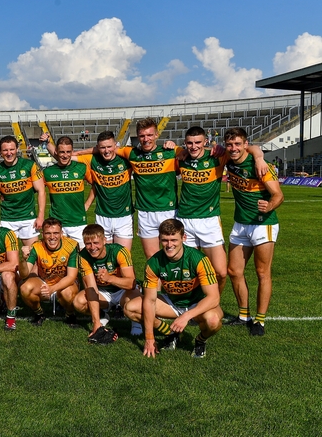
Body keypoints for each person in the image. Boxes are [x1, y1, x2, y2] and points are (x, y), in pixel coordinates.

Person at [176, 126, 267, 300]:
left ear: (205, 142)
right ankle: (192, 306)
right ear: (185, 143)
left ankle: (212, 304)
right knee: (189, 271)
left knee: (220, 272)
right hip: (185, 220)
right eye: (189, 143)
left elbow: (249, 147)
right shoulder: (181, 157)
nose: (193, 146)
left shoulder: (218, 156)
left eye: (197, 143)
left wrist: (260, 157)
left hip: (209, 221)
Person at [124, 219, 223, 358]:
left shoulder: (199, 259)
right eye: (165, 240)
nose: (169, 245)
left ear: (184, 238)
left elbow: (214, 297)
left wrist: (187, 316)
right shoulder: (153, 262)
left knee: (213, 321)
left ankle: (200, 341)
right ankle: (171, 333)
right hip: (172, 302)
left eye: (174, 240)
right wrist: (149, 338)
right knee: (131, 308)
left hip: (196, 304)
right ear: (159, 239)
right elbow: (150, 301)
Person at [224, 127, 283, 336]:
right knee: (234, 271)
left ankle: (260, 320)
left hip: (263, 224)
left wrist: (269, 206)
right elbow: (255, 148)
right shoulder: (229, 160)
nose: (233, 149)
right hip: (240, 223)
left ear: (245, 144)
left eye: (238, 144)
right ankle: (243, 315)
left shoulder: (260, 165)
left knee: (262, 272)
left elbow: (278, 195)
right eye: (230, 145)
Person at [113, 118, 182, 258]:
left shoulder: (171, 152)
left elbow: (194, 151)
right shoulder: (132, 153)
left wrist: (176, 146)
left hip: (168, 211)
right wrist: (76, 153)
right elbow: (106, 147)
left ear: (156, 135)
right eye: (142, 136)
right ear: (137, 136)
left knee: (173, 257)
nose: (146, 139)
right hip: (145, 213)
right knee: (152, 259)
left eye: (150, 135)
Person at [0, 135, 46, 246]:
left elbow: (41, 190)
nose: (9, 153)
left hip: (28, 218)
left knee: (32, 256)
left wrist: (40, 216)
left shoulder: (30, 165)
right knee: (9, 257)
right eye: (5, 150)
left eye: (12, 149)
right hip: (8, 220)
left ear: (17, 149)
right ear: (0, 152)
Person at [73, 224, 140, 339]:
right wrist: (96, 323)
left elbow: (131, 283)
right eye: (88, 243)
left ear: (104, 240)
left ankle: (136, 322)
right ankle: (103, 316)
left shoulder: (119, 251)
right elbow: (91, 288)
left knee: (134, 296)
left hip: (123, 291)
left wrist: (110, 278)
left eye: (96, 243)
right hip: (102, 292)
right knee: (78, 302)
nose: (92, 247)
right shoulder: (83, 256)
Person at [71, 131, 134, 250]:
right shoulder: (93, 160)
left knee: (124, 258)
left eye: (109, 146)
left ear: (116, 145)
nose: (106, 151)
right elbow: (65, 156)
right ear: (97, 148)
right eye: (102, 148)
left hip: (124, 217)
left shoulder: (125, 159)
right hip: (102, 217)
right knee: (104, 258)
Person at [18, 218, 81, 327]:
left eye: (56, 233)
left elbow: (71, 277)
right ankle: (39, 314)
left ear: (61, 233)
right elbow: (24, 274)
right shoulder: (36, 246)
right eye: (48, 233)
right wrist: (23, 259)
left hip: (64, 284)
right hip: (44, 282)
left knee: (68, 293)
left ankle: (70, 314)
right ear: (43, 234)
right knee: (25, 288)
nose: (52, 237)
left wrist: (52, 289)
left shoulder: (71, 245)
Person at [40, 136, 92, 246]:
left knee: (81, 259)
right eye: (62, 152)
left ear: (72, 152)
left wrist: (87, 204)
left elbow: (96, 185)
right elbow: (37, 190)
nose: (65, 155)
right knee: (58, 259)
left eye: (68, 152)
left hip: (78, 222)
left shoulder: (81, 167)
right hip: (56, 224)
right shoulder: (47, 172)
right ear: (56, 152)